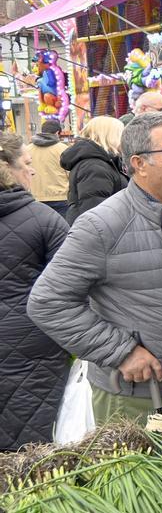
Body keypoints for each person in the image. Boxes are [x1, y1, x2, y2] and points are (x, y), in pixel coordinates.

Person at [28, 112, 162, 443]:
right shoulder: (103, 225)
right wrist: (121, 351)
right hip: (142, 399)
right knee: (152, 489)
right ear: (139, 163)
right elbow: (48, 301)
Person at [0, 132, 69, 449]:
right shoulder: (44, 221)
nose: (33, 171)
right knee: (35, 452)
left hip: (30, 349)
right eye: (28, 164)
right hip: (35, 352)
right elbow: (71, 289)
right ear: (9, 169)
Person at [62, 115, 128, 224]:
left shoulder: (100, 162)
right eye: (121, 134)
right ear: (110, 136)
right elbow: (95, 211)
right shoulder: (94, 166)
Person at [28, 119, 71, 217]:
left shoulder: (27, 149)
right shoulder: (63, 149)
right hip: (61, 198)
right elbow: (71, 174)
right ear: (57, 132)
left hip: (36, 197)